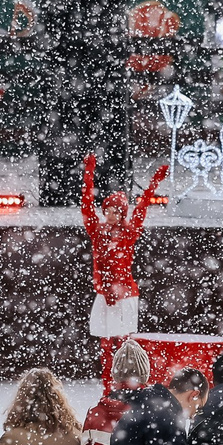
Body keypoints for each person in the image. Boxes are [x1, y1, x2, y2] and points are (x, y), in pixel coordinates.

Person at [82, 153, 169, 387]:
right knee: (105, 342)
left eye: (115, 211)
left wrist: (153, 184)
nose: (109, 215)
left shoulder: (129, 233)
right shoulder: (97, 231)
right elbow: (86, 206)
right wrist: (88, 173)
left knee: (124, 342)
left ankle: (127, 385)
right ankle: (108, 386)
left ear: (122, 214)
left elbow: (141, 208)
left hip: (124, 294)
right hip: (105, 293)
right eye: (107, 210)